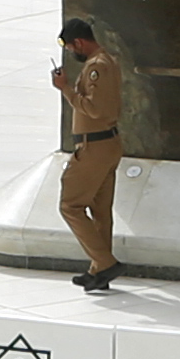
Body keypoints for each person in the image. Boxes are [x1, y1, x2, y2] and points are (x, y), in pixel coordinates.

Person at [49, 18, 124, 296]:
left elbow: (94, 109)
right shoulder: (107, 62)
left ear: (79, 42)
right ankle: (99, 272)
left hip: (94, 147)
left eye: (71, 48)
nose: (72, 53)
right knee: (99, 210)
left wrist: (65, 89)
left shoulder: (97, 67)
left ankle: (105, 262)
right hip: (106, 145)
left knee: (71, 205)